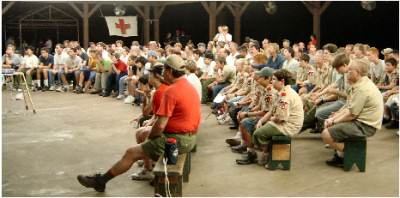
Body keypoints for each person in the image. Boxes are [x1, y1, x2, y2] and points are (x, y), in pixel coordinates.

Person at [77, 54, 201, 192]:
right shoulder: (189, 87)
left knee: (131, 153)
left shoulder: (172, 91)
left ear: (170, 71)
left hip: (177, 140)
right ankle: (146, 167)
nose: (162, 74)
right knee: (143, 135)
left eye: (163, 70)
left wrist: (150, 138)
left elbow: (159, 126)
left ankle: (101, 181)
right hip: (189, 137)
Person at [322, 59, 383, 168]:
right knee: (331, 121)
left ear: (358, 72)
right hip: (360, 121)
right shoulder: (359, 83)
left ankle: (350, 153)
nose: (346, 72)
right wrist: (336, 116)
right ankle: (341, 155)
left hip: (365, 126)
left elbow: (351, 114)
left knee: (326, 134)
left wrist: (333, 121)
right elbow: (348, 105)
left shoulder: (361, 89)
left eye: (349, 70)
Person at [237, 69, 303, 167]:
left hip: (288, 125)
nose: (272, 82)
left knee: (258, 133)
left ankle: (267, 154)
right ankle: (267, 152)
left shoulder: (285, 95)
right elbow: (272, 111)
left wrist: (269, 120)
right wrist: (262, 121)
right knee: (257, 127)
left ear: (282, 81)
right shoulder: (280, 92)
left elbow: (279, 119)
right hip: (282, 122)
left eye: (274, 79)